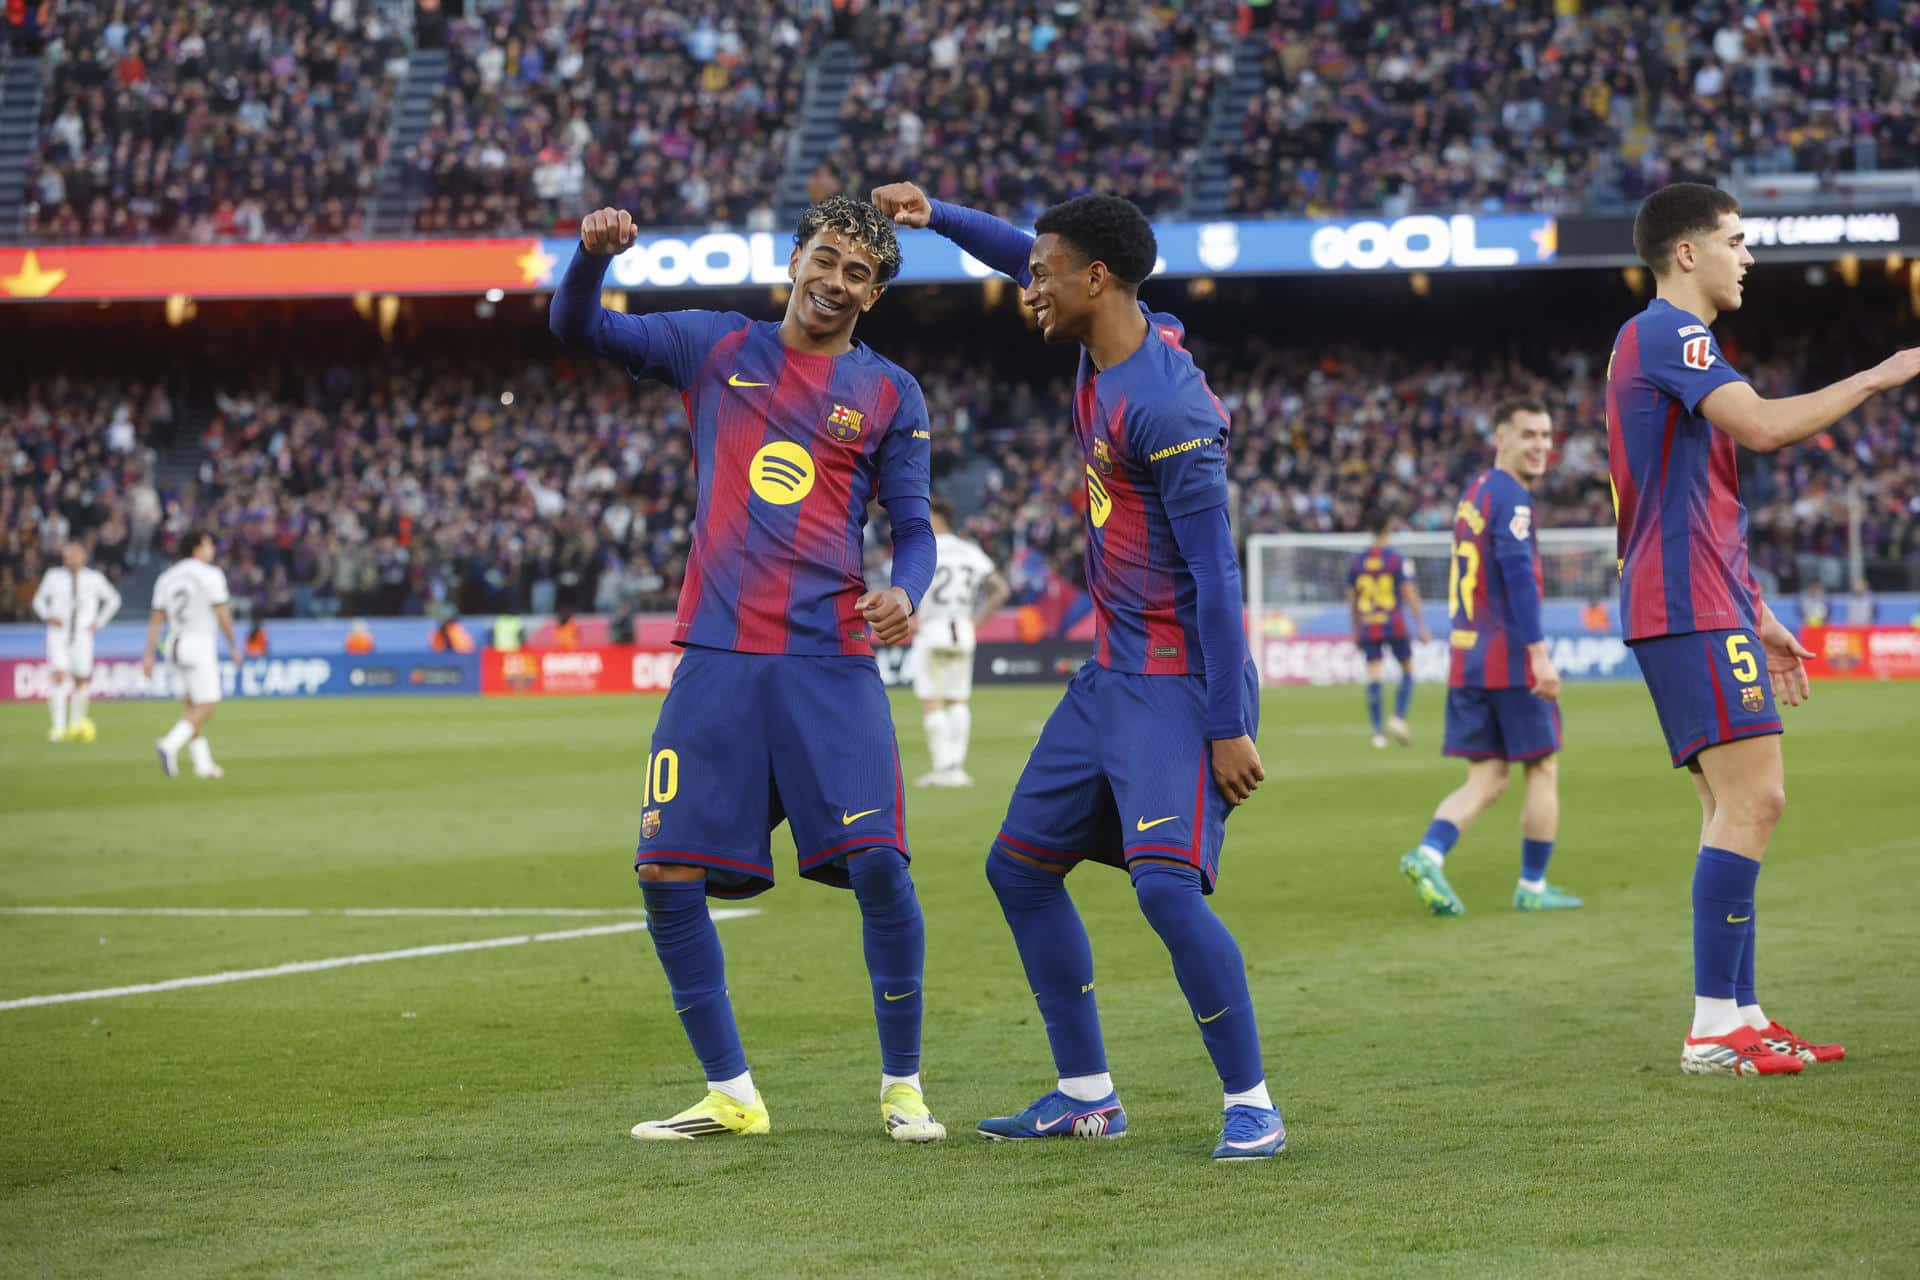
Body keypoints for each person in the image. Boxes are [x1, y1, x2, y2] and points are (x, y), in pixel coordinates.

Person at [873, 181, 1283, 1161]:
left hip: (1179, 683)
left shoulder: (1169, 404)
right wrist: (938, 218)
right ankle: (1087, 1090)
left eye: (1047, 277)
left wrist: (1227, 721)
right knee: (1017, 865)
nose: (1030, 289)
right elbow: (1025, 248)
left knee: (1165, 889)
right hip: (1111, 672)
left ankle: (1253, 1100)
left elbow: (1217, 578)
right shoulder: (1113, 336)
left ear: (1097, 280)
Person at [550, 196, 944, 1143]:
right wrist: (590, 257)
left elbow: (916, 529)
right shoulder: (715, 347)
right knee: (664, 868)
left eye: (858, 272)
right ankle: (732, 1094)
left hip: (830, 658)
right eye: (826, 258)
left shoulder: (891, 393)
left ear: (875, 294)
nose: (836, 280)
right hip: (719, 656)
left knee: (882, 865)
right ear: (795, 260)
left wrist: (908, 589)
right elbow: (578, 329)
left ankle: (903, 1088)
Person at [1606, 182, 1920, 1075]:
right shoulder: (1667, 332)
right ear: (1688, 253)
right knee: (1756, 799)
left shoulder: (1665, 342)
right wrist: (1875, 375)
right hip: (1683, 603)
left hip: (1703, 598)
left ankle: (1741, 1013)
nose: (1751, 256)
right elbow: (1769, 427)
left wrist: (1763, 615)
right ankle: (1713, 1027)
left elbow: (1701, 506)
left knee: (1731, 806)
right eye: (1737, 240)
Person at [1398, 403, 1580, 915]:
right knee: (1542, 767)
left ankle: (1428, 853)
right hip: (1507, 660)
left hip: (1467, 657)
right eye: (1528, 435)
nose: (1541, 445)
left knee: (1488, 777)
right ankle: (1533, 887)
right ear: (1500, 438)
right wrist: (1539, 657)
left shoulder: (1476, 491)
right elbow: (1518, 575)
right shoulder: (1513, 497)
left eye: (1546, 434)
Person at [910, 498, 1010, 787]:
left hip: (932, 629)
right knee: (957, 699)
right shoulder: (970, 551)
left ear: (937, 517)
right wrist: (976, 621)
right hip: (963, 629)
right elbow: (1000, 590)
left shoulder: (923, 549)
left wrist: (911, 620)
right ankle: (957, 768)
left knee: (932, 701)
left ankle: (942, 769)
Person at [142, 530, 237, 780]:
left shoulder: (166, 578)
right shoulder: (210, 574)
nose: (212, 549)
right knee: (207, 704)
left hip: (172, 645)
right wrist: (234, 645)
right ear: (197, 549)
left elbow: (155, 619)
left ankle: (203, 764)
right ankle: (170, 744)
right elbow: (221, 612)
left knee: (191, 708)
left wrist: (149, 655)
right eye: (208, 544)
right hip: (199, 644)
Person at [1346, 510, 1429, 749]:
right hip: (1394, 623)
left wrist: (1355, 628)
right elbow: (1409, 592)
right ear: (1389, 529)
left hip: (1369, 624)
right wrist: (1421, 624)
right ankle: (1398, 716)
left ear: (1370, 530)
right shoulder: (1396, 559)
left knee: (1374, 674)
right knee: (1408, 669)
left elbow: (1352, 598)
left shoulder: (1358, 561)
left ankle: (1378, 733)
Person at [31, 541, 122, 743]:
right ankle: (58, 727)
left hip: (82, 636)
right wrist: (48, 616)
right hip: (58, 635)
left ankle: (76, 723)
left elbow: (114, 599)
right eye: (67, 555)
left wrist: (98, 622)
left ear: (83, 557)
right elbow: (38, 600)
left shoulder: (94, 578)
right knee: (59, 676)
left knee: (81, 680)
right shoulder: (53, 577)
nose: (70, 559)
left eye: (74, 555)